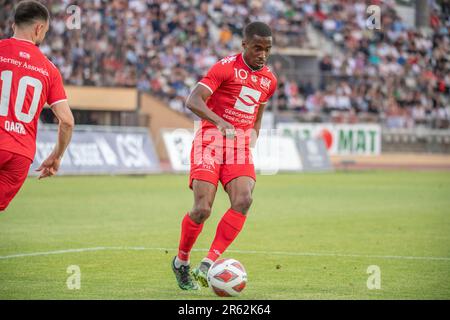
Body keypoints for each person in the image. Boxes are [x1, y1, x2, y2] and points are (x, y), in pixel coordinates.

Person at [171, 21, 277, 290]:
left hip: (239, 147)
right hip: (210, 140)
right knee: (202, 209)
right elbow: (193, 100)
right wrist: (219, 122)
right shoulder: (225, 67)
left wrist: (250, 142)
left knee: (244, 200)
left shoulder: (269, 80)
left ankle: (208, 263)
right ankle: (181, 262)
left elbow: (257, 116)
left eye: (267, 49)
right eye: (257, 48)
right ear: (244, 45)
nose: (262, 54)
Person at [0, 1, 74, 212]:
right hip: (20, 155)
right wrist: (56, 156)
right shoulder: (49, 69)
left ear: (13, 24)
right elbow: (67, 121)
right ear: (39, 28)